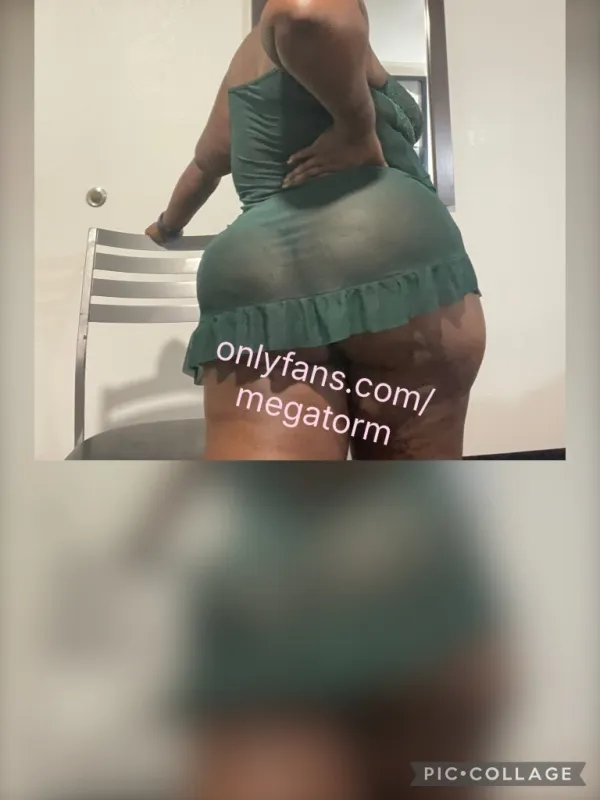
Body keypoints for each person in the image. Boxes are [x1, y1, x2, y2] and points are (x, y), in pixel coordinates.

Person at [146, 0, 486, 460]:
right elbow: (304, 12)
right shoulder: (337, 17)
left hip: (264, 289)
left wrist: (168, 225)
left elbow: (205, 165)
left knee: (279, 502)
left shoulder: (245, 61)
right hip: (400, 272)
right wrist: (356, 125)